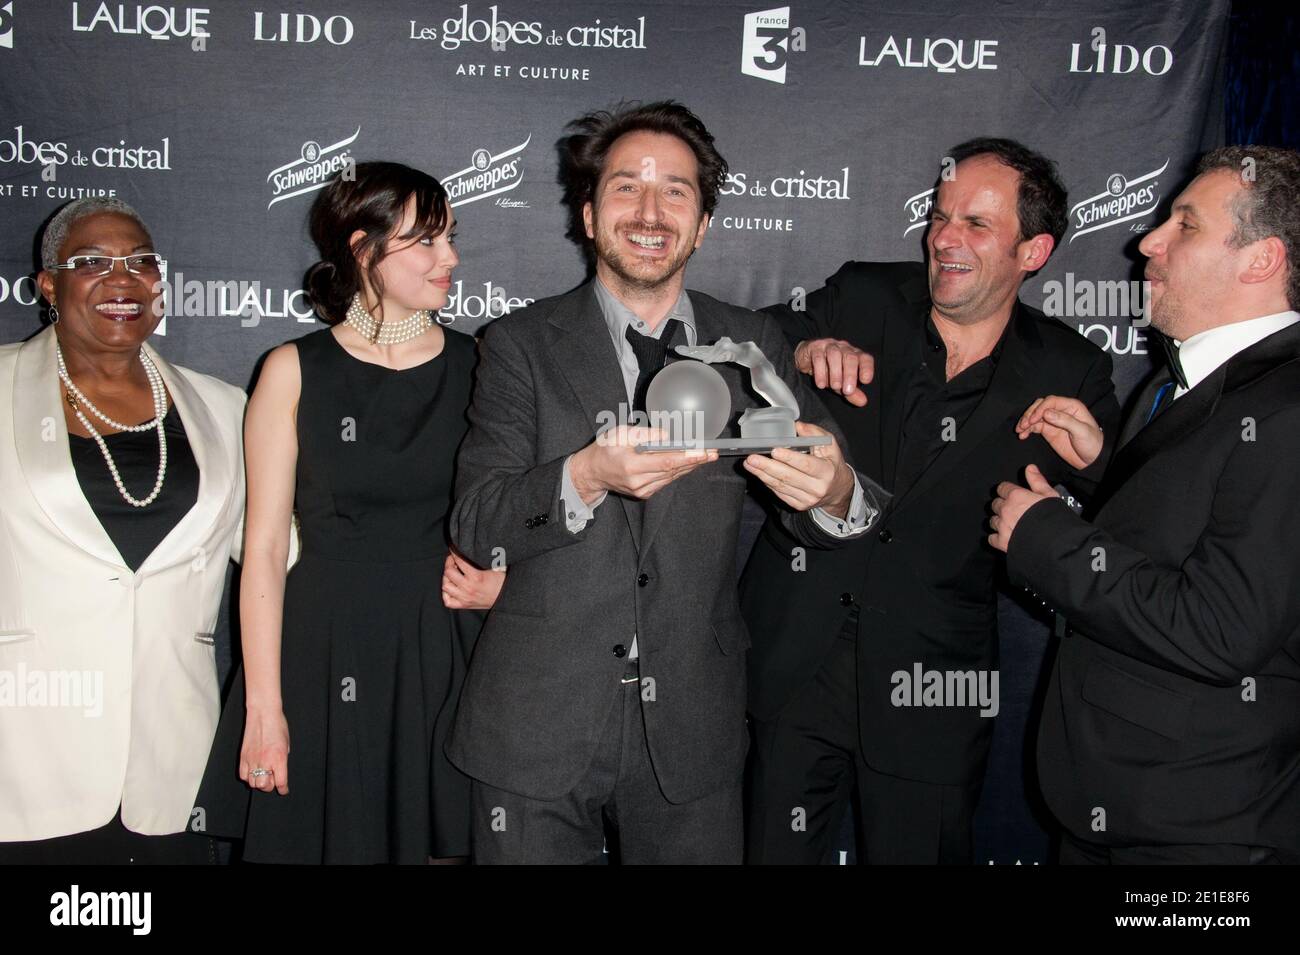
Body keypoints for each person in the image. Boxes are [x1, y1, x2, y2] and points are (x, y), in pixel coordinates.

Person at [448, 101, 884, 865]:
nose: (650, 212)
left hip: (694, 727)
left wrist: (835, 489)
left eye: (676, 191)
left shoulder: (752, 344)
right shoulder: (518, 344)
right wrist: (585, 474)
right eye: (625, 188)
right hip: (535, 720)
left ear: (704, 223)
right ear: (587, 214)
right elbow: (479, 523)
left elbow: (847, 500)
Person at [742, 138, 1121, 864]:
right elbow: (752, 339)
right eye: (942, 216)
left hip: (932, 688)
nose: (943, 237)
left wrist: (1097, 460)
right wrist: (802, 349)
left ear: (1033, 252)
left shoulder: (1070, 366)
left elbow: (1138, 509)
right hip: (796, 662)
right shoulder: (862, 294)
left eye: (977, 224)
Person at [991, 145, 1300, 864]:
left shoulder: (1288, 411)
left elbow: (1222, 628)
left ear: (1261, 260)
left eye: (1184, 226)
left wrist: (1045, 537)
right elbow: (1198, 519)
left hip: (1198, 828)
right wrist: (1106, 468)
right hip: (1117, 804)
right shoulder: (1182, 382)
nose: (1147, 241)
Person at [196, 162, 503, 864]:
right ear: (364, 249)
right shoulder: (291, 370)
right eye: (427, 240)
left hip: (444, 648)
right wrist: (264, 709)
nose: (450, 258)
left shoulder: (482, 365)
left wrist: (504, 582)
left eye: (451, 237)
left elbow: (514, 511)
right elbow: (266, 549)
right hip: (322, 645)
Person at [0, 198, 246, 863]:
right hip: (22, 764)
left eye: (140, 262)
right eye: (91, 263)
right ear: (48, 284)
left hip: (171, 765)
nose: (122, 278)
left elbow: (292, 556)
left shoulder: (226, 410)